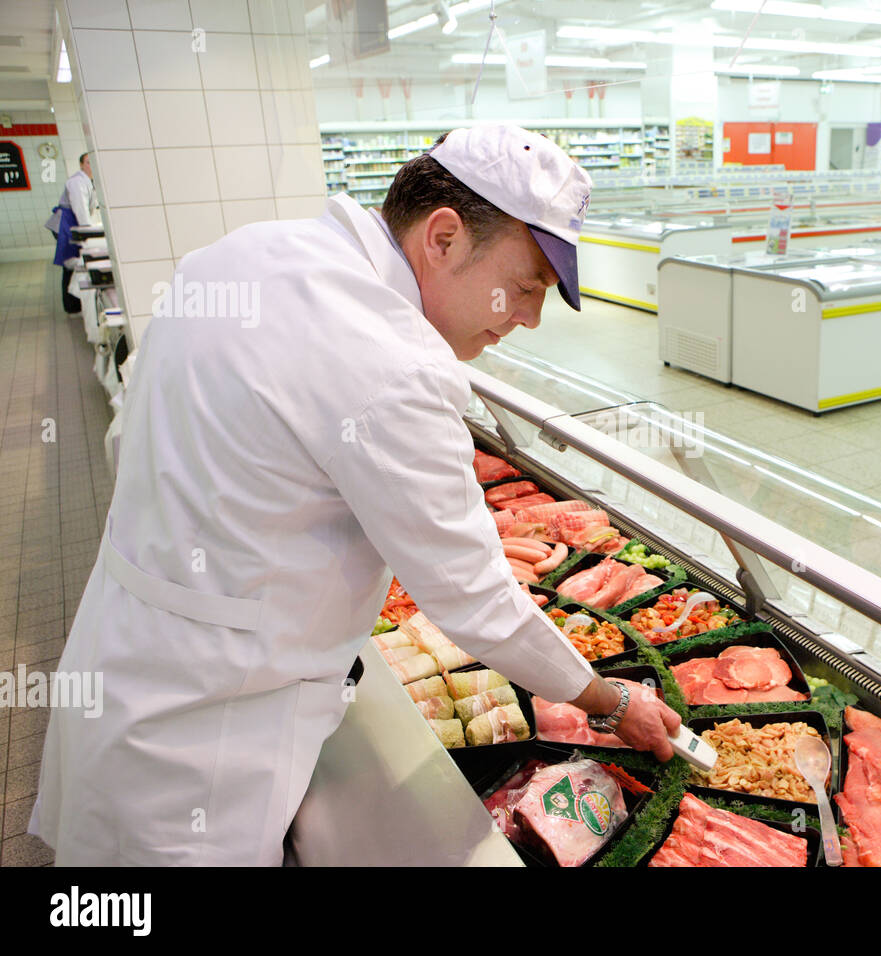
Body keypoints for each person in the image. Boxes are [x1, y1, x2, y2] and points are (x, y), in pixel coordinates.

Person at [30, 125, 681, 866]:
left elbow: (133, 433)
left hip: (129, 640)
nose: (526, 317)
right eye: (526, 285)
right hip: (211, 722)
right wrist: (609, 699)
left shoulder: (247, 252)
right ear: (443, 236)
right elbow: (473, 598)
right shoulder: (394, 361)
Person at [48, 151, 96, 314]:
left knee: (73, 261)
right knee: (69, 263)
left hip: (71, 222)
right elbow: (80, 209)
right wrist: (88, 232)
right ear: (82, 165)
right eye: (88, 162)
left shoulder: (89, 181)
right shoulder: (76, 181)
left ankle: (74, 303)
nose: (92, 165)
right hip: (66, 223)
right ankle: (71, 305)